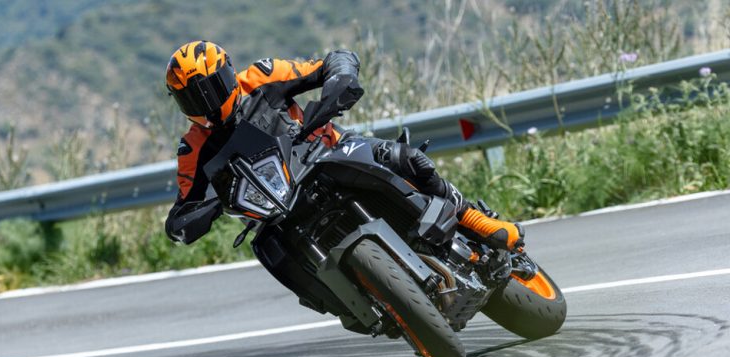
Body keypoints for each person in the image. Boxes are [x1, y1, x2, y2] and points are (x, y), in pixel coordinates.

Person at [164, 40, 523, 251]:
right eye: (191, 99)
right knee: (269, 249)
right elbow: (180, 212)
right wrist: (200, 214)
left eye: (210, 89)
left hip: (328, 152)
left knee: (405, 159)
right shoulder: (193, 148)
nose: (205, 105)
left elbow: (333, 60)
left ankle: (473, 220)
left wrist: (340, 78)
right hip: (277, 209)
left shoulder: (261, 77)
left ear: (228, 74)